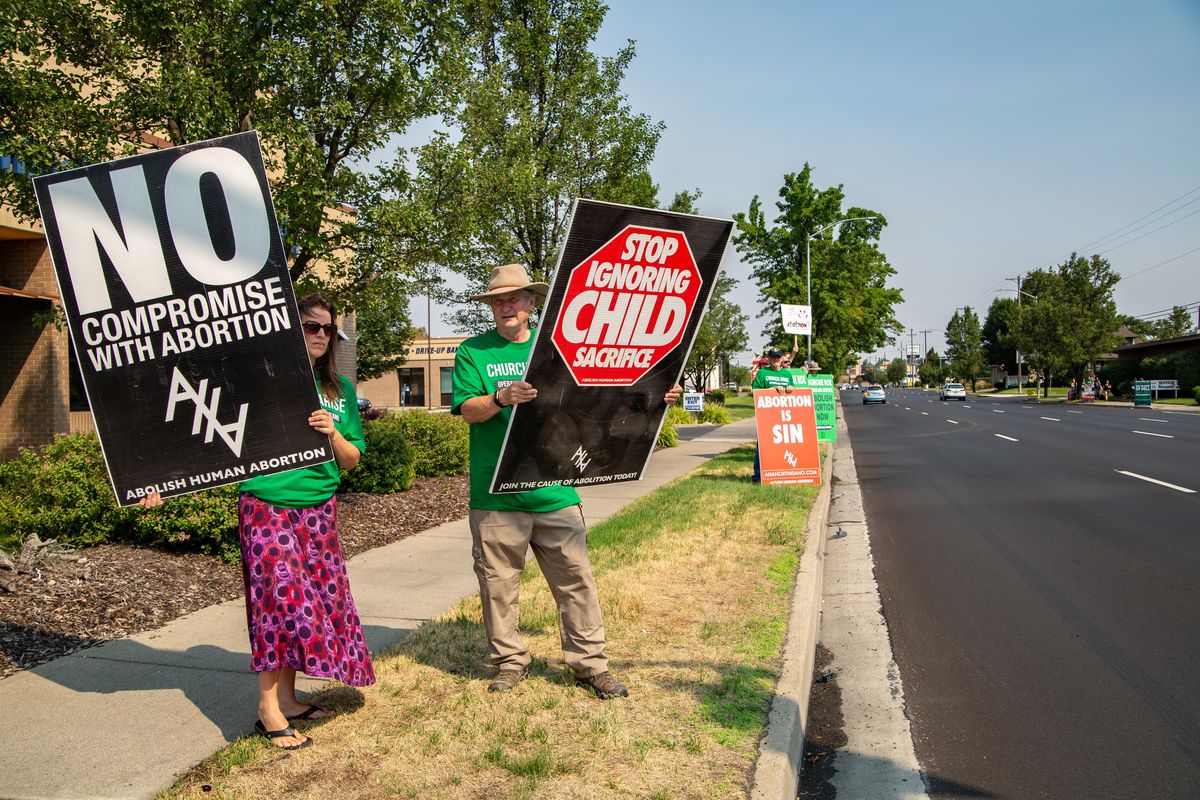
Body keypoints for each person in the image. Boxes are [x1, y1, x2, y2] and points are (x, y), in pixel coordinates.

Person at [141, 293, 374, 750]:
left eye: (329, 329)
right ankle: (268, 709)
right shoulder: (258, 381)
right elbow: (207, 436)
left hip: (319, 509)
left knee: (307, 602)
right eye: (312, 326)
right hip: (267, 505)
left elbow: (351, 462)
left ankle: (287, 699)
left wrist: (334, 432)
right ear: (292, 329)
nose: (322, 335)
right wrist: (161, 481)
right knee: (280, 602)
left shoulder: (340, 390)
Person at [451, 264, 681, 699]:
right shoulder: (472, 352)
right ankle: (509, 662)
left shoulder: (557, 348)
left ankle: (590, 665)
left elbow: (609, 388)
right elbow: (468, 410)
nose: (506, 306)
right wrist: (501, 397)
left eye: (514, 298)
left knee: (576, 581)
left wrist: (656, 394)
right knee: (498, 587)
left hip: (556, 490)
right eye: (498, 300)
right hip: (495, 494)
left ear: (531, 304)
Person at [750, 348, 793, 482]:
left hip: (784, 416)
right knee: (762, 446)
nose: (775, 359)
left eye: (777, 357)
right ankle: (758, 476)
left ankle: (781, 472)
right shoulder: (762, 373)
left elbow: (793, 392)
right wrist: (771, 390)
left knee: (783, 445)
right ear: (769, 359)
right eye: (773, 357)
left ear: (781, 359)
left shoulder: (787, 374)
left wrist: (792, 388)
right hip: (767, 416)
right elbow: (755, 391)